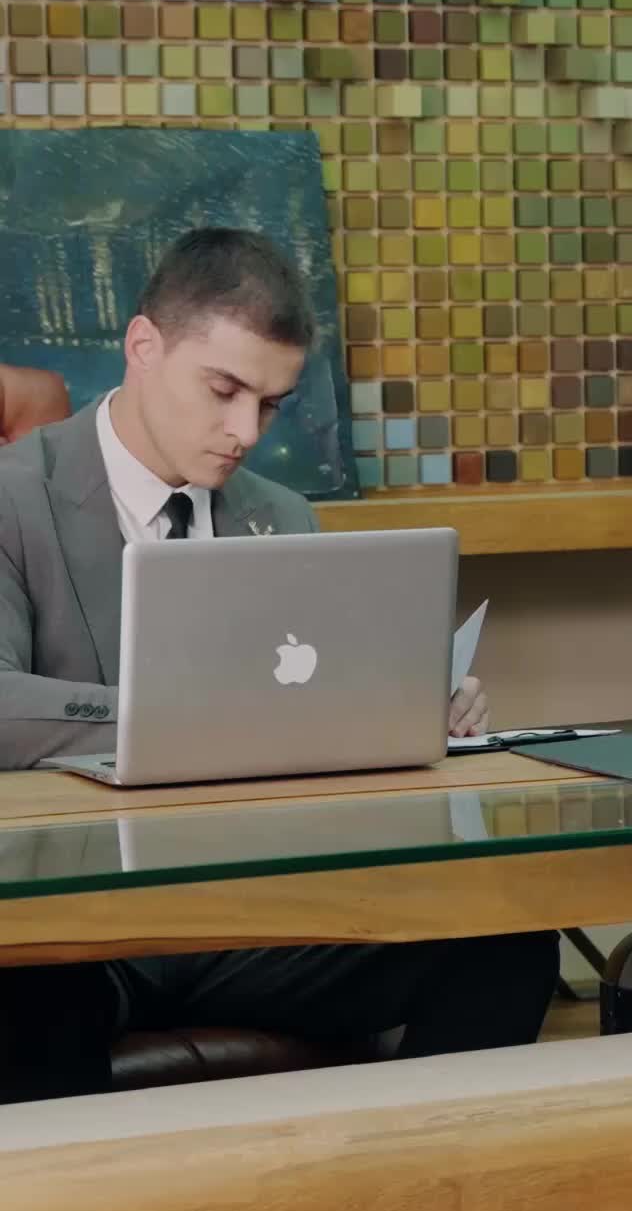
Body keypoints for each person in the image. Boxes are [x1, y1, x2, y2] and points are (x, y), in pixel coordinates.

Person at [0, 228, 559, 1100]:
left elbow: (308, 710)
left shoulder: (281, 515)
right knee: (23, 997)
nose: (244, 433)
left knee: (507, 944)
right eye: (223, 391)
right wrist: (181, 715)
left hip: (248, 909)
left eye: (270, 405)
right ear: (143, 347)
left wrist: (411, 707)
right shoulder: (14, 496)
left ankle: (402, 1172)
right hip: (77, 922)